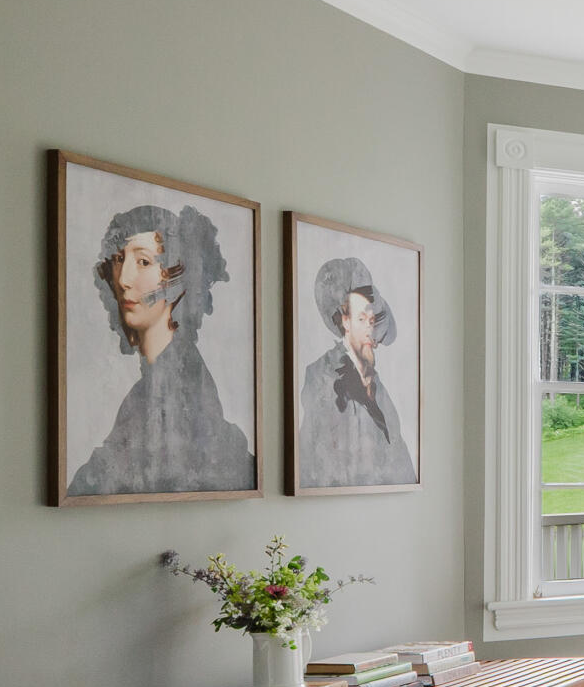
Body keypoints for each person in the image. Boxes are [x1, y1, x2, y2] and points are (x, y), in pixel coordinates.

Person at [66, 202, 256, 498]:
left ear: (178, 278)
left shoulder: (182, 384)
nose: (123, 279)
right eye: (118, 259)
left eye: (143, 261)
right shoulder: (148, 387)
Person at [296, 254, 416, 488]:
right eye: (364, 320)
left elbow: (397, 456)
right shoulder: (322, 379)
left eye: (375, 319)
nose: (374, 337)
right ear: (344, 323)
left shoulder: (374, 383)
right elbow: (318, 467)